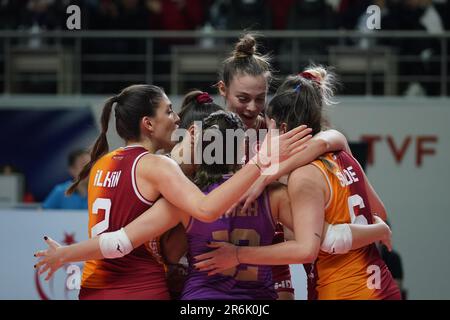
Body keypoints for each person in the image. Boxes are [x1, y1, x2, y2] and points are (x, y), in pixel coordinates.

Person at [34, 84, 311, 300]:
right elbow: (205, 208)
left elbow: (119, 238)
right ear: (148, 124)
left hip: (93, 286)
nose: (176, 118)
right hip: (139, 287)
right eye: (168, 111)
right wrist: (261, 162)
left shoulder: (103, 164)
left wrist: (67, 254)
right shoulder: (159, 167)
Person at [193, 66, 402, 300]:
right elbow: (379, 212)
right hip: (382, 285)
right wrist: (378, 229)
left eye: (269, 125)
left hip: (344, 289)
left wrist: (238, 254)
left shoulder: (303, 175)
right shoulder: (341, 152)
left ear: (281, 128)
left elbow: (316, 244)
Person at [217, 33, 352, 299]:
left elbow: (329, 138)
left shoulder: (279, 132)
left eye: (260, 98)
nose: (252, 108)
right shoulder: (209, 133)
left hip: (273, 258)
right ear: (223, 90)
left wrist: (269, 174)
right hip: (220, 256)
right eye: (243, 99)